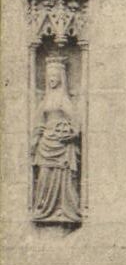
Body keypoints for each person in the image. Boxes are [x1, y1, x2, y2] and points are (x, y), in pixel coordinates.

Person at [31, 56, 81, 224]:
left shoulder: (64, 100)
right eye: (49, 76)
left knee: (63, 176)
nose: (51, 79)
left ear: (61, 77)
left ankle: (63, 209)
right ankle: (44, 209)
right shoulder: (45, 101)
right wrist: (35, 141)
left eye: (55, 76)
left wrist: (70, 134)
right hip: (46, 144)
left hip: (61, 145)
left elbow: (76, 125)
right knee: (45, 175)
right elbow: (39, 122)